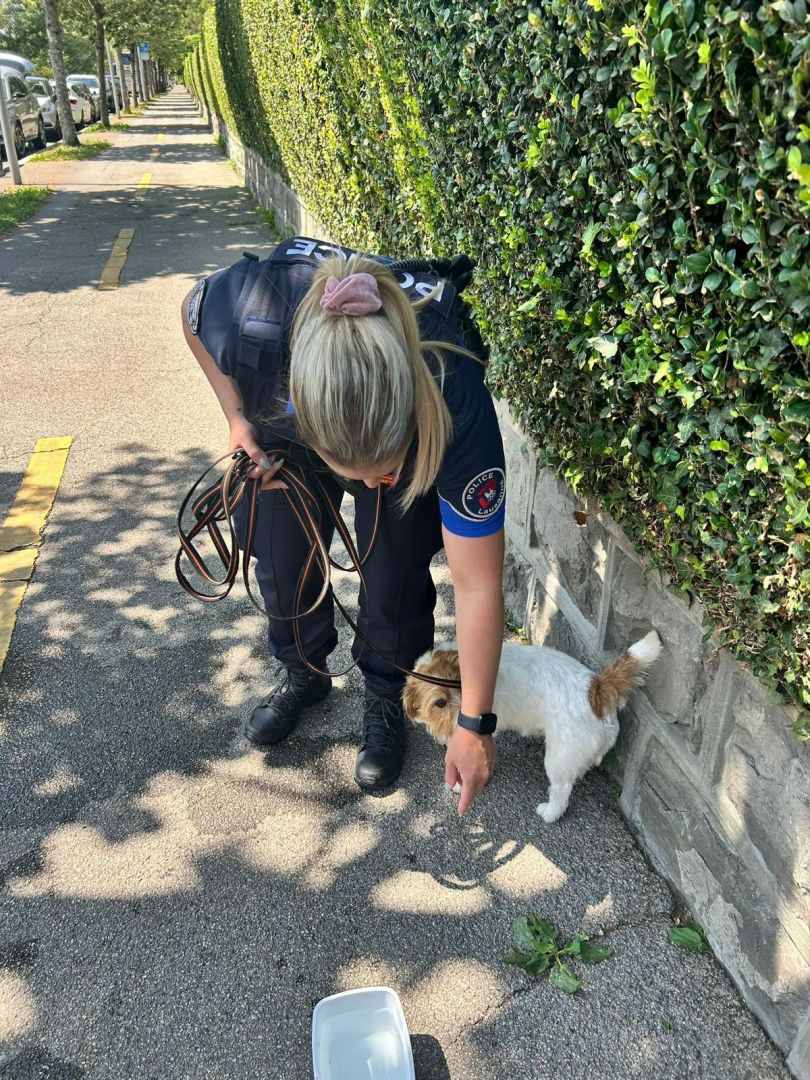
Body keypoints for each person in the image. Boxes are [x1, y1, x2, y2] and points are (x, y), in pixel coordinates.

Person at [181, 235, 505, 814]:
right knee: (279, 550)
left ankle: (385, 696)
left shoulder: (455, 402)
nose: (372, 483)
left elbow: (479, 584)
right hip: (286, 420)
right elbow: (191, 310)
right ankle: (301, 669)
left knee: (394, 569)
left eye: (384, 470)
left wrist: (475, 724)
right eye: (361, 474)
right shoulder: (251, 318)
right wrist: (237, 421)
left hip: (404, 409)